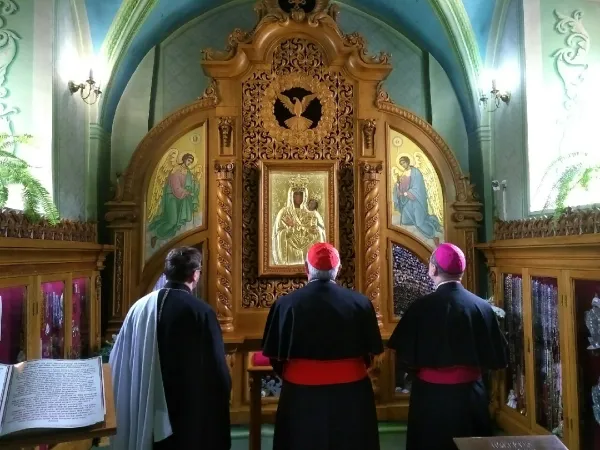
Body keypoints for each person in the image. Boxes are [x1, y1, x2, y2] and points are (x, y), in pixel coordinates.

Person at [262, 242, 383, 450]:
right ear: (339, 269)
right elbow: (372, 352)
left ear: (306, 268)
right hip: (350, 394)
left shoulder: (286, 304)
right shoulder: (361, 303)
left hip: (301, 396)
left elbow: (274, 355)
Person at [388, 243, 508, 450]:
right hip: (470, 396)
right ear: (462, 271)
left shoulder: (420, 308)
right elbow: (497, 357)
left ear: (433, 269)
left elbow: (403, 355)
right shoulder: (482, 307)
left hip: (430, 398)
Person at [109, 247, 231, 450]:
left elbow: (119, 357)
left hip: (144, 399)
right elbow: (217, 366)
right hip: (187, 404)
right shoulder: (201, 311)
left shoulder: (139, 307)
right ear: (195, 274)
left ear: (166, 272)